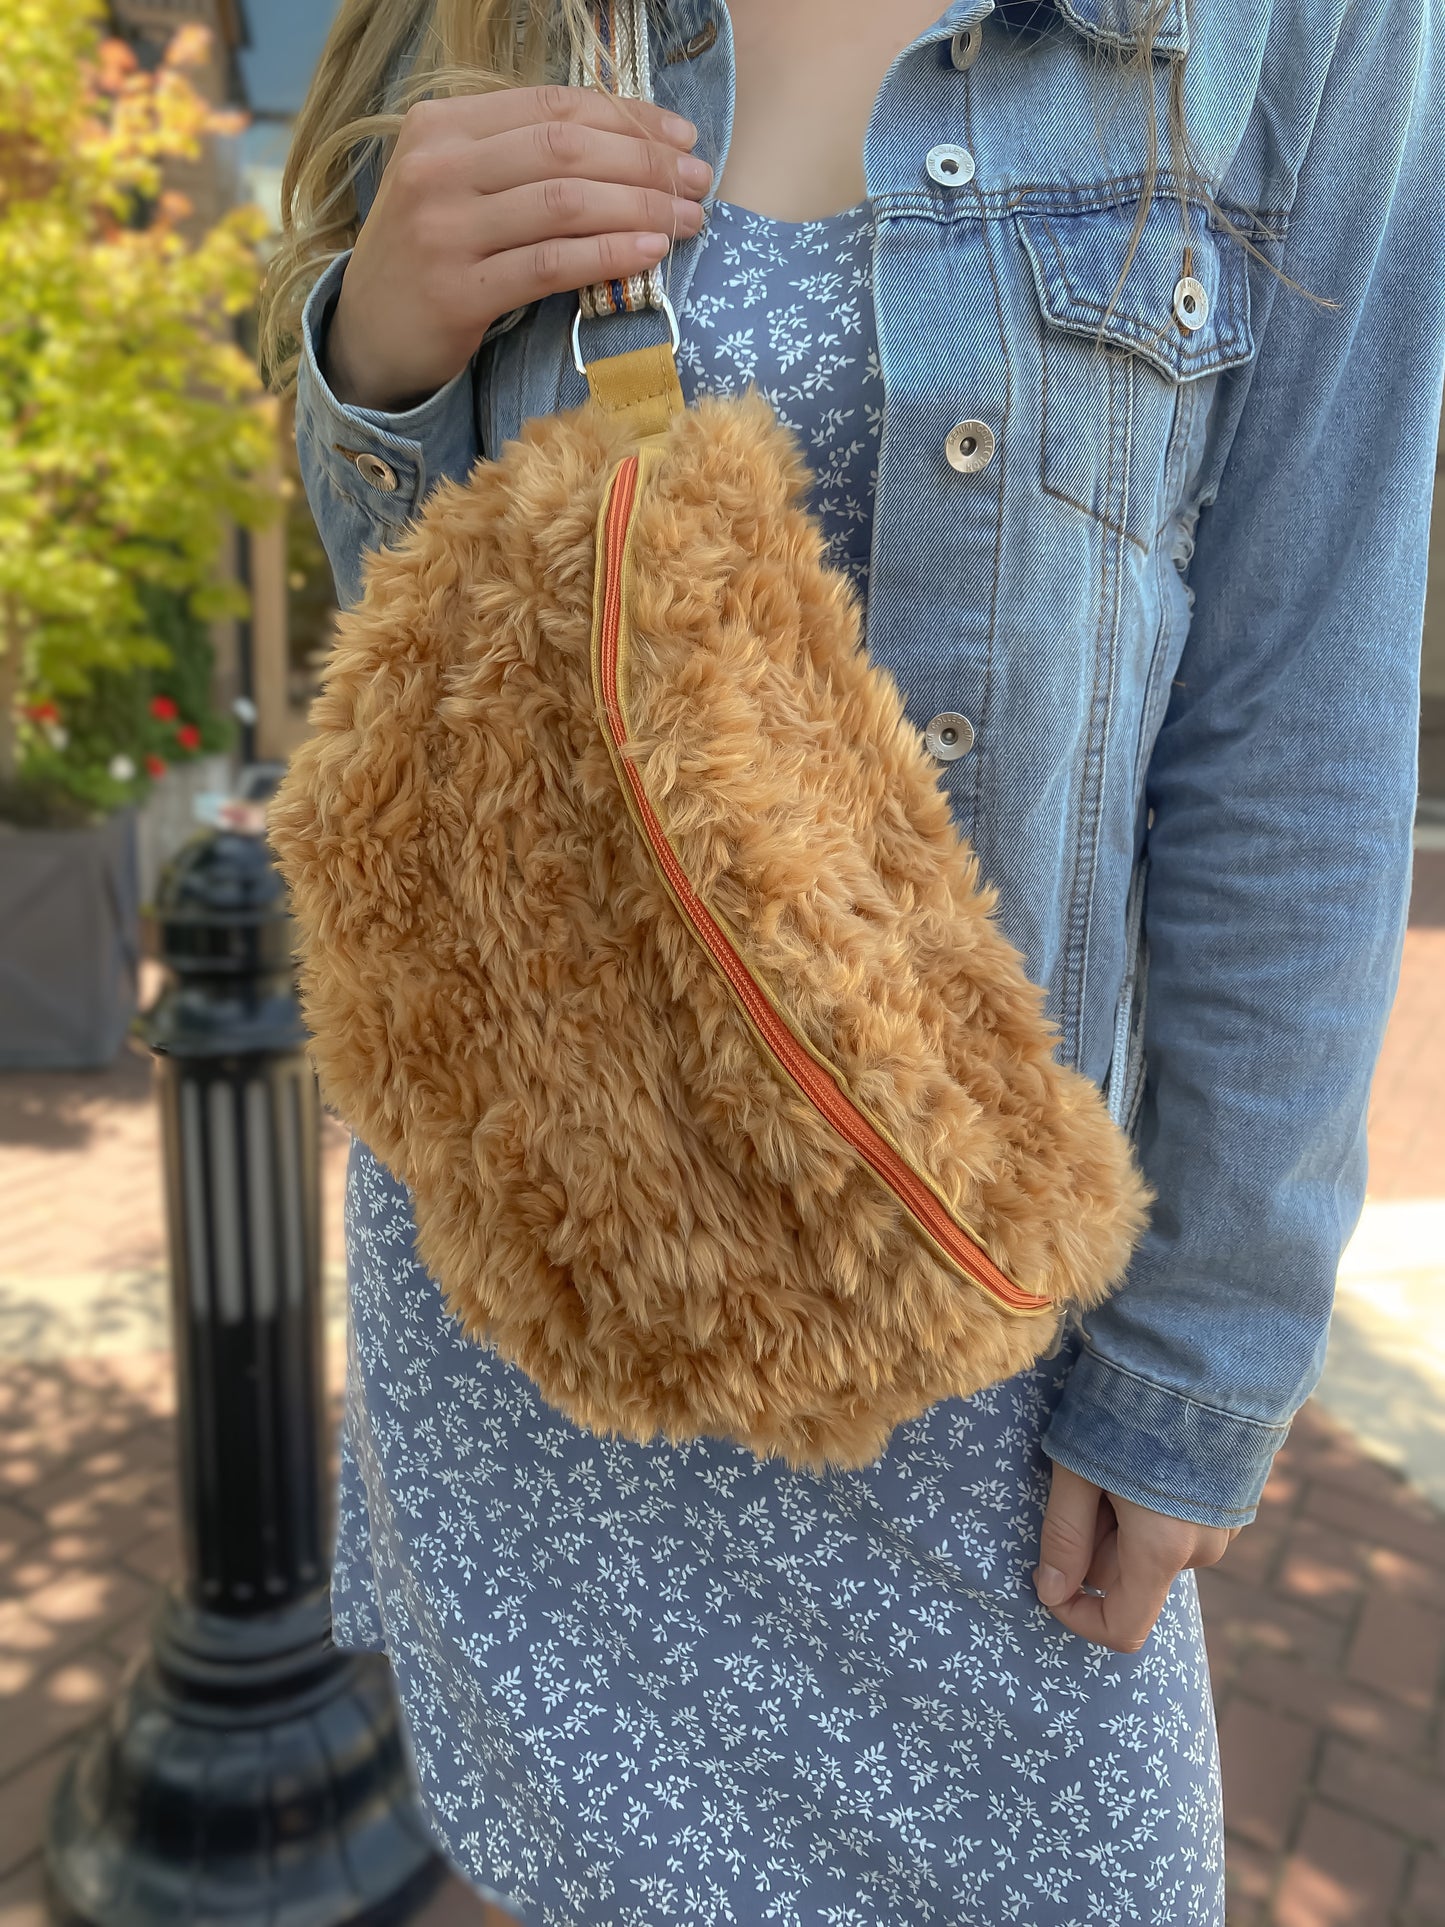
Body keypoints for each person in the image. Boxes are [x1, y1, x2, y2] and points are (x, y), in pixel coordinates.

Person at [259, 0, 1444, 1917]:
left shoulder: (1306, 29)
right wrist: (376, 364)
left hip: (978, 1344)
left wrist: (1204, 1361)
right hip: (552, 1282)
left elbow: (1300, 709)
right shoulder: (520, 13)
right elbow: (432, 668)